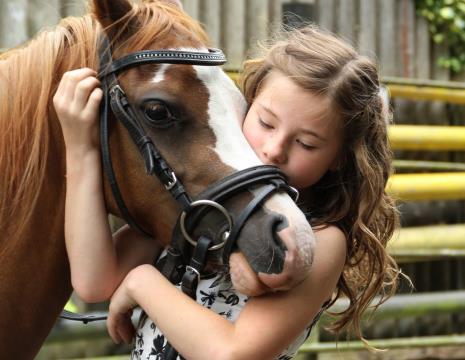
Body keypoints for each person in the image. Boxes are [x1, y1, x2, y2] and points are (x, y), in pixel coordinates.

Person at [54, 24, 400, 359]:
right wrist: (80, 149)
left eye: (306, 143)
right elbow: (94, 281)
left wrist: (140, 283)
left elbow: (231, 353)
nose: (274, 149)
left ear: (340, 157)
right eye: (265, 122)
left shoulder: (323, 238)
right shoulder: (205, 207)